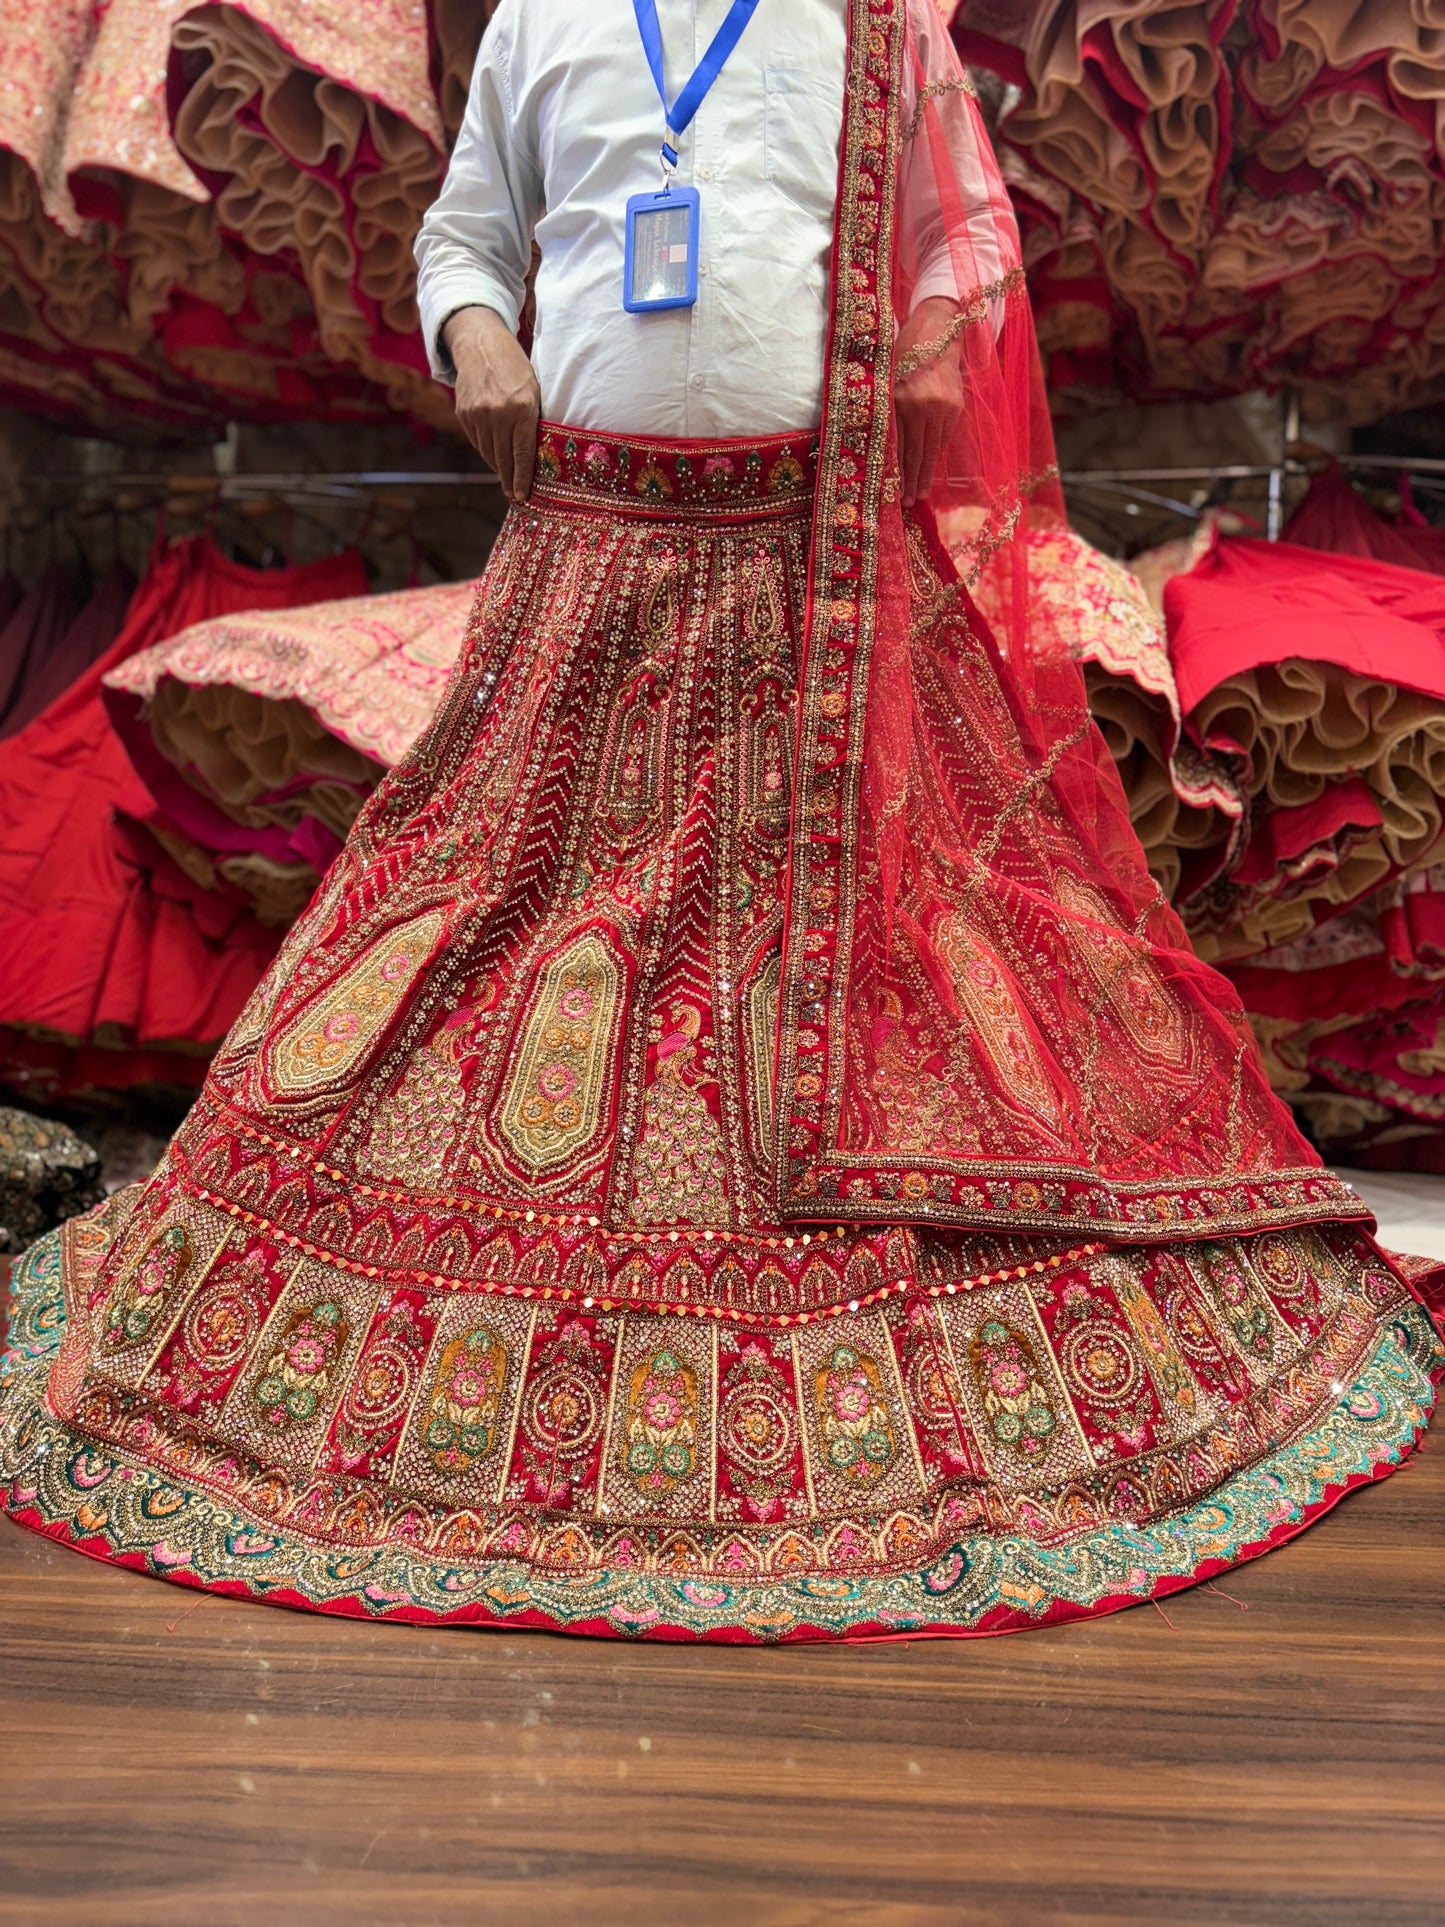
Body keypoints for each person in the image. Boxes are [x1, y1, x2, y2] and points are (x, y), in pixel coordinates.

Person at [1, 0, 1437, 1643]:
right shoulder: (545, 19)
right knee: (484, 913)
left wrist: (926, 335)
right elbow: (466, 233)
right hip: (588, 563)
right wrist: (479, 342)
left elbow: (961, 239)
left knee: (835, 961)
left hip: (809, 579)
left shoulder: (875, 23)